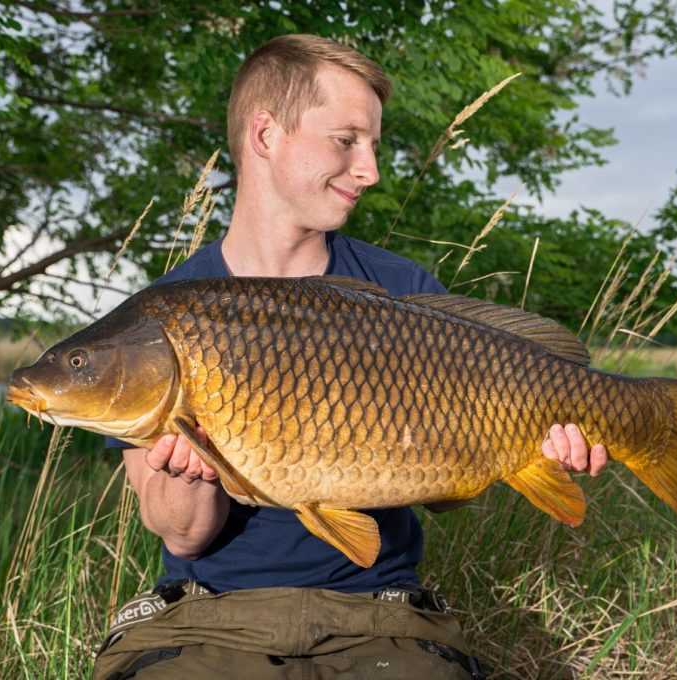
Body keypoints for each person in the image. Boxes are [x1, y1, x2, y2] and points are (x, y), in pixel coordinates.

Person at [93, 34, 607, 680]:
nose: (371, 171)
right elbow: (185, 536)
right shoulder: (166, 316)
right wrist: (188, 473)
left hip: (382, 617)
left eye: (373, 147)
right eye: (346, 141)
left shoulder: (408, 294)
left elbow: (449, 486)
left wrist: (534, 445)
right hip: (212, 621)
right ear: (265, 136)